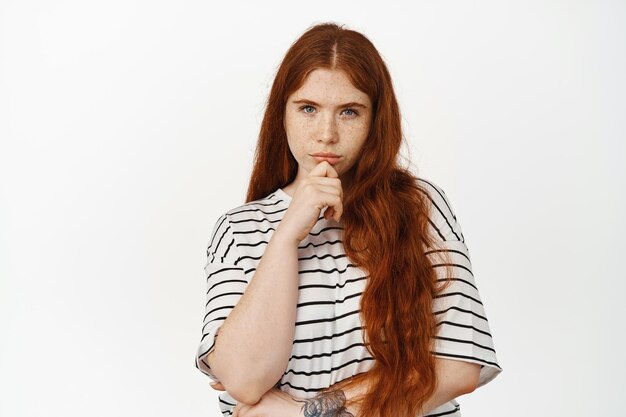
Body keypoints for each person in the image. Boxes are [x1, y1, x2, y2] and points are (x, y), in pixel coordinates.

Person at [195, 22, 502, 417]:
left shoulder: (420, 207)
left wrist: (310, 411)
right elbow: (244, 378)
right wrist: (287, 235)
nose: (326, 134)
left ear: (375, 120)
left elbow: (459, 365)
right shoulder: (239, 229)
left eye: (349, 112)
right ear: (281, 115)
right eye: (308, 108)